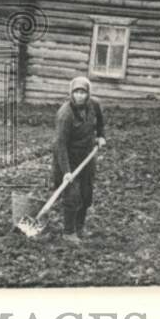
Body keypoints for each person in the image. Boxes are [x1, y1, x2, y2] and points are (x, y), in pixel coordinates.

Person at [51, 76, 107, 243]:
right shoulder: (65, 114)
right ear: (71, 93)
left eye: (83, 92)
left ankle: (79, 228)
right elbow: (60, 145)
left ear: (88, 93)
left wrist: (101, 136)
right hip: (67, 158)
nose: (80, 96)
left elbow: (101, 122)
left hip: (87, 156)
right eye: (76, 92)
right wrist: (66, 171)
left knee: (86, 193)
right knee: (72, 195)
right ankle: (68, 232)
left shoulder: (94, 105)